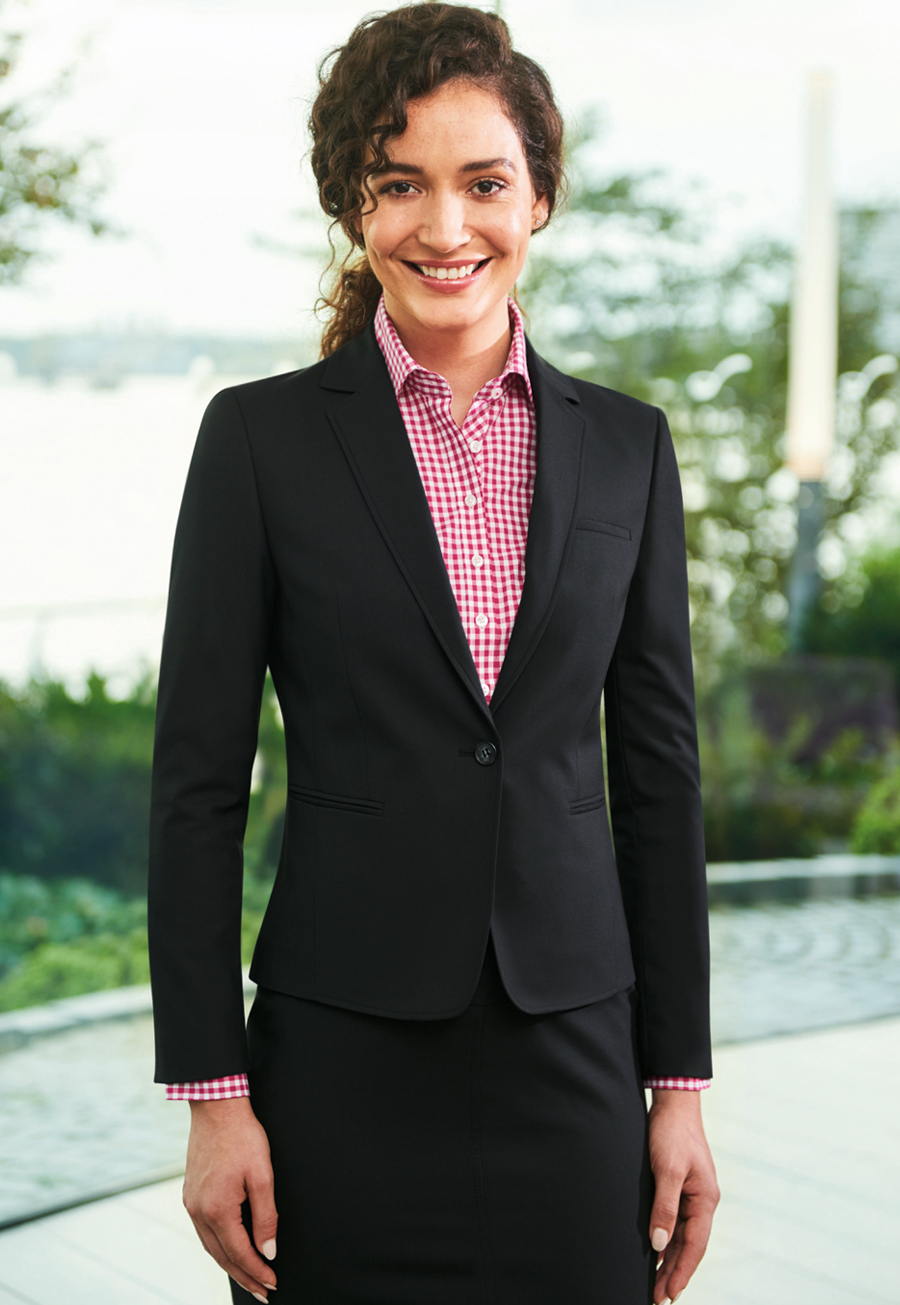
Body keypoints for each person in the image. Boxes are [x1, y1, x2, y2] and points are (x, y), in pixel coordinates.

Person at [148, 5, 719, 1303]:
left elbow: (660, 782)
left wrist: (678, 1084)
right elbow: (196, 788)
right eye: (400, 184)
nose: (445, 228)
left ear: (541, 195)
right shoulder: (259, 443)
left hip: (576, 1054)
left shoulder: (629, 446)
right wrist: (213, 1097)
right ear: (354, 200)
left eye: (484, 183)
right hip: (337, 1068)